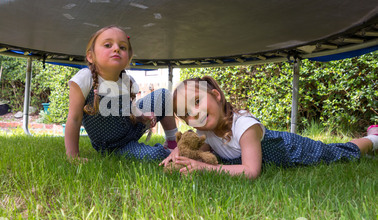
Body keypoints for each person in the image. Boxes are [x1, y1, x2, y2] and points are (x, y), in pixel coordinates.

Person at [160, 76, 378, 179]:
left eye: (197, 101)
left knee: (337, 153)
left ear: (216, 96)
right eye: (187, 112)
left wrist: (206, 169)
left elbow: (251, 171)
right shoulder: (204, 131)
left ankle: (373, 138)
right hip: (286, 153)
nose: (194, 113)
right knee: (338, 152)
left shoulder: (244, 126)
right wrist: (178, 152)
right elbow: (201, 149)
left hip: (293, 149)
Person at [65, 25, 178, 163]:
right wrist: (73, 157)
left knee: (163, 95)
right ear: (90, 56)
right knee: (156, 155)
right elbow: (74, 119)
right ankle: (169, 153)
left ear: (128, 58)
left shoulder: (127, 81)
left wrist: (142, 117)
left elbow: (129, 112)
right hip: (115, 146)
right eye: (108, 45)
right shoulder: (84, 78)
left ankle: (173, 143)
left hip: (130, 130)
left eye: (123, 47)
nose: (116, 48)